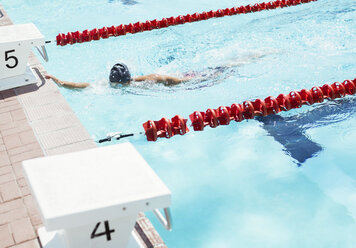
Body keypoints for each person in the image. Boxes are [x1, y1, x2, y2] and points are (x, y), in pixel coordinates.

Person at [45, 52, 269, 89]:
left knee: (222, 70)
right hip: (180, 81)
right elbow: (84, 86)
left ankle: (249, 59)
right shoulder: (113, 85)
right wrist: (59, 81)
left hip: (186, 81)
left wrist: (198, 82)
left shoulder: (149, 79)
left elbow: (173, 80)